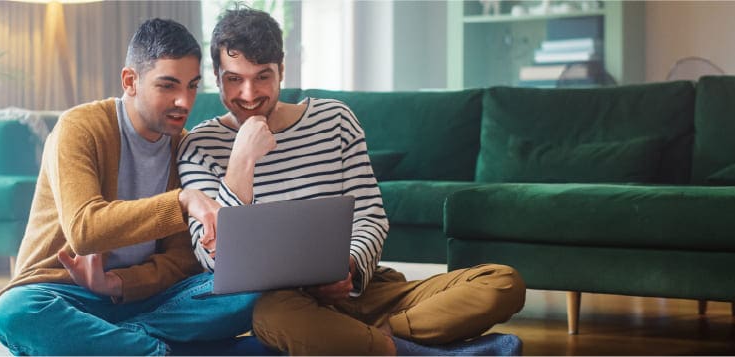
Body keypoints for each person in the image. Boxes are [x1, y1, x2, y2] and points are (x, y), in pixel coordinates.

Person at [177, 7, 526, 356]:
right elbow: (213, 261)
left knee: (502, 283)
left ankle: (380, 340)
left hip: (363, 292)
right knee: (270, 316)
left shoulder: (335, 120)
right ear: (217, 76)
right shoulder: (198, 145)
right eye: (235, 79)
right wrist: (241, 161)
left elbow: (371, 216)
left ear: (282, 70)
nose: (249, 94)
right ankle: (418, 349)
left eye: (263, 76)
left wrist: (351, 267)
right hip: (287, 305)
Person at [0, 18, 257, 356]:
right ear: (130, 81)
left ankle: (114, 341)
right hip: (66, 293)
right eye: (168, 85)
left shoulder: (185, 147)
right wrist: (182, 201)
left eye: (191, 86)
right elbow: (85, 230)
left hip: (146, 302)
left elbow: (181, 261)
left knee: (251, 287)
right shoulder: (80, 128)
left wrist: (117, 284)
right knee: (15, 312)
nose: (184, 102)